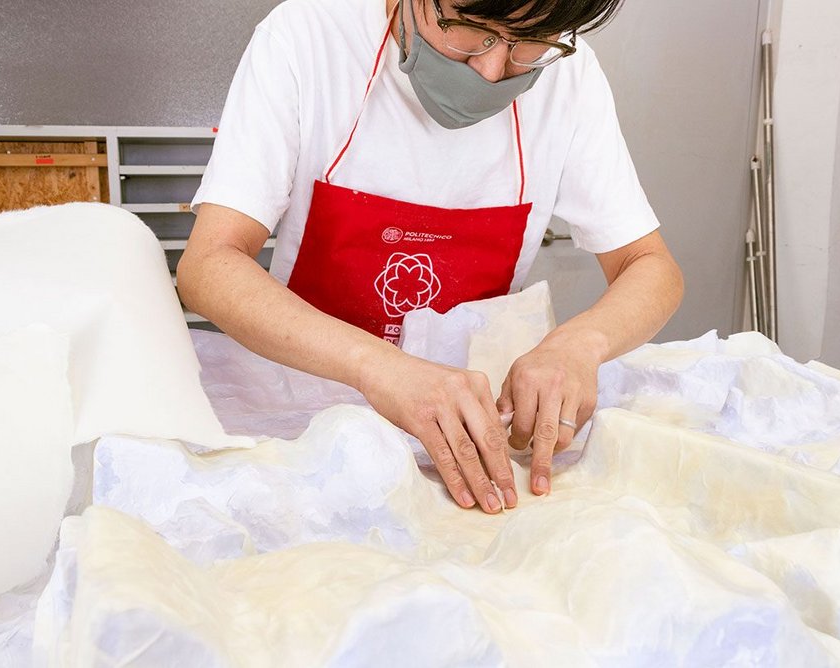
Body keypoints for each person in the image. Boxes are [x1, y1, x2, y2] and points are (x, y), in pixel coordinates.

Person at [178, 0, 684, 515]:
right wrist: (378, 367)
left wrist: (578, 346)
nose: (492, 71)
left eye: (525, 45)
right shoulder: (310, 36)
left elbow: (649, 265)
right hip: (304, 401)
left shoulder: (570, 76)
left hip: (472, 421)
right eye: (470, 30)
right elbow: (209, 265)